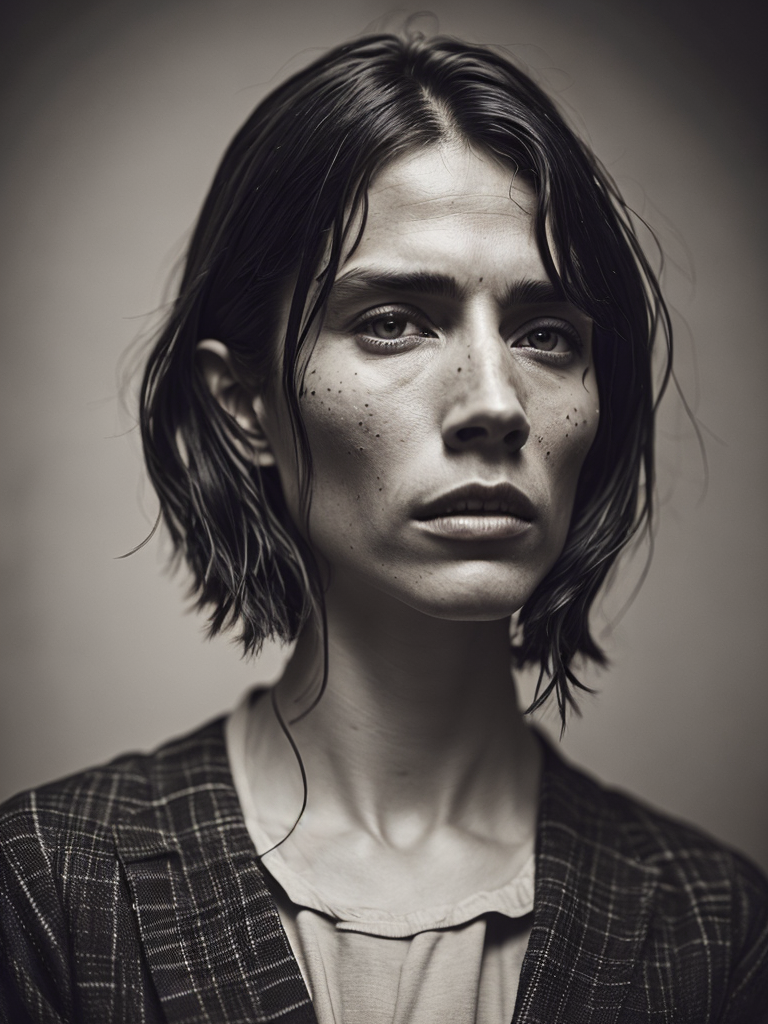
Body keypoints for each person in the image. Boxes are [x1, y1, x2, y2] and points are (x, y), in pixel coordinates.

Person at [1, 30, 766, 1024]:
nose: (496, 402)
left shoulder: (717, 929)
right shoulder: (48, 893)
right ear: (244, 404)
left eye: (546, 335)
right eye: (395, 321)